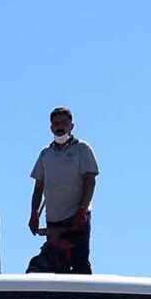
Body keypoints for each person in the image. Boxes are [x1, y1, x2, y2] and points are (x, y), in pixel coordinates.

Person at [26, 106, 97, 274]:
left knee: (80, 263)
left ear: (71, 126)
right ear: (51, 127)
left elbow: (90, 180)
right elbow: (38, 187)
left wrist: (83, 208)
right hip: (53, 220)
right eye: (56, 123)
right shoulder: (46, 154)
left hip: (76, 218)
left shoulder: (82, 149)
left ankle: (83, 297)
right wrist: (34, 213)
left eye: (64, 123)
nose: (60, 127)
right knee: (53, 263)